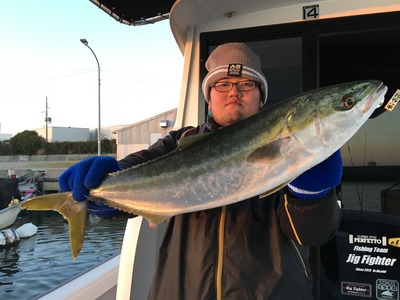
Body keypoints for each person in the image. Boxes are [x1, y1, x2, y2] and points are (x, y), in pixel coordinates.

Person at [59, 42, 342, 299]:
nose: (234, 91)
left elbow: (312, 236)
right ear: (209, 98)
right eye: (222, 84)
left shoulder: (294, 149)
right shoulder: (178, 142)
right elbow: (135, 174)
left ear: (261, 98)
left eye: (246, 84)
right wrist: (102, 185)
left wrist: (312, 196)